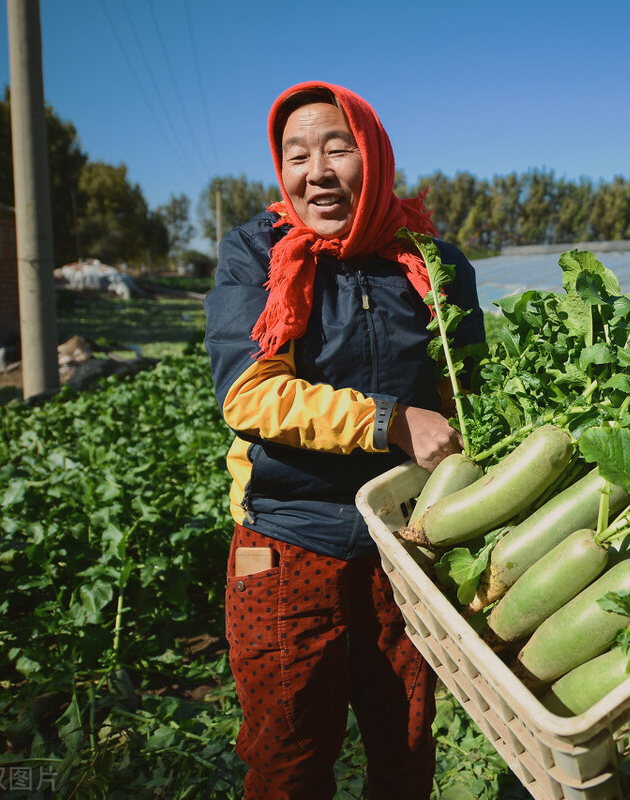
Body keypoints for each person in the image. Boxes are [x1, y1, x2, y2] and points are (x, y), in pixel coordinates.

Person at [203, 81, 484, 800]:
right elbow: (250, 393)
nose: (315, 171)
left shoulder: (431, 262)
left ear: (376, 156)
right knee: (287, 761)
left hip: (405, 543)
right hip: (287, 540)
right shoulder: (256, 254)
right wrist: (390, 419)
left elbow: (468, 399)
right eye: (295, 154)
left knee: (407, 749)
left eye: (337, 147)